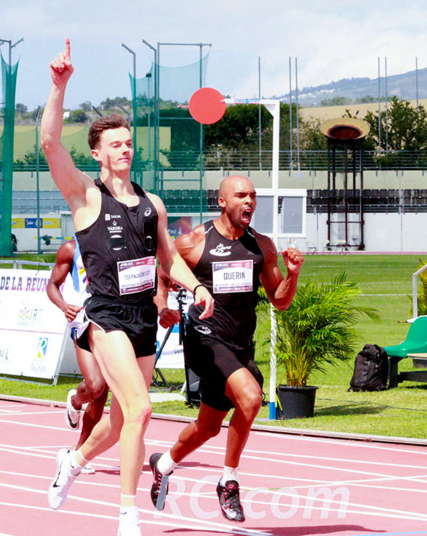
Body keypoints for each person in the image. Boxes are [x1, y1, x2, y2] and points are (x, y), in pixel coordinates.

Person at [41, 39, 214, 536]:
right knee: (142, 408)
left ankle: (71, 461)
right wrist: (59, 85)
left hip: (141, 317)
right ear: (96, 153)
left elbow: (168, 260)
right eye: (114, 144)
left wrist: (197, 287)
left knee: (121, 423)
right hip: (105, 317)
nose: (125, 149)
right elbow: (52, 143)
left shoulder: (150, 203)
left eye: (129, 143)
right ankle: (127, 516)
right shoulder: (83, 194)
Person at [149, 175, 304, 523]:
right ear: (221, 201)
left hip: (239, 346)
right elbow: (162, 273)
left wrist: (292, 274)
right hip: (204, 336)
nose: (249, 201)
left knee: (207, 426)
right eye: (240, 196)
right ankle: (229, 480)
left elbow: (280, 302)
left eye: (253, 196)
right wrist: (163, 308)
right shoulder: (194, 242)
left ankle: (165, 463)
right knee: (250, 398)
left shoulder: (261, 246)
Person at [45, 239, 108, 474]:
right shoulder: (71, 248)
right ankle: (75, 401)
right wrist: (63, 306)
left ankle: (80, 453)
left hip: (112, 320)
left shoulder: (116, 243)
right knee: (95, 386)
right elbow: (52, 284)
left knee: (101, 394)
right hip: (83, 320)